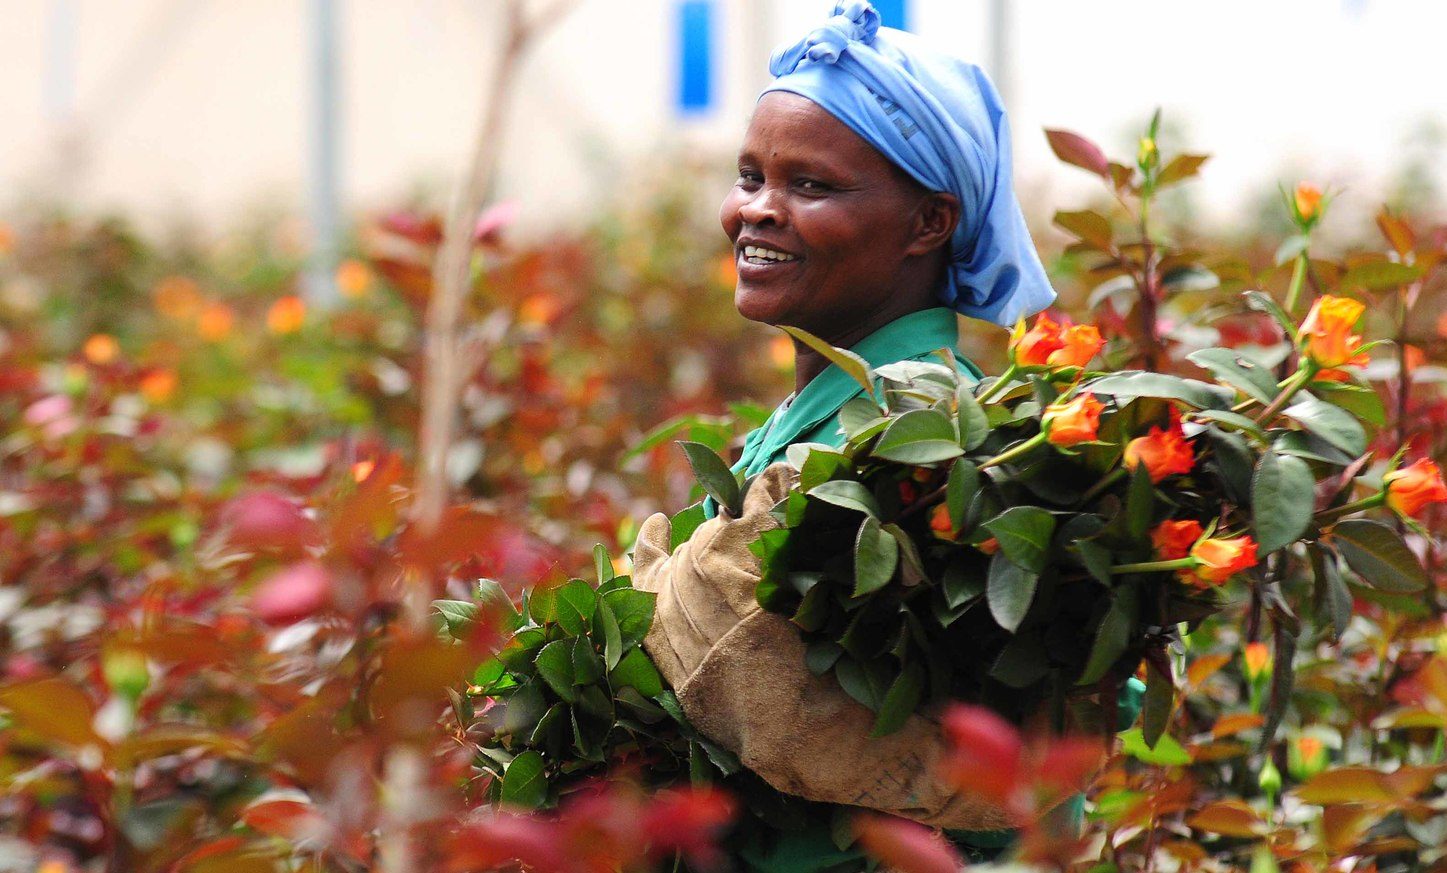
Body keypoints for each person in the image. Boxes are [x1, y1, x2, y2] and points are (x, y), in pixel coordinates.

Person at [633, 4, 1142, 869]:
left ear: (927, 224)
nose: (756, 210)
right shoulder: (818, 423)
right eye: (750, 175)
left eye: (810, 186)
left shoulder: (925, 440)